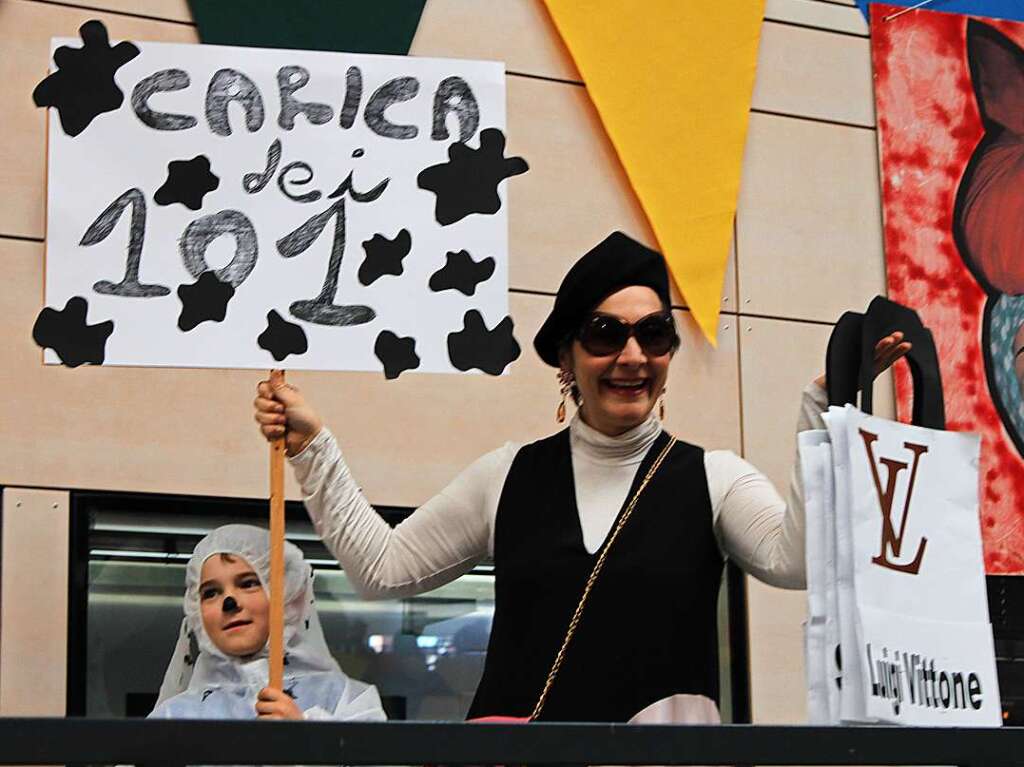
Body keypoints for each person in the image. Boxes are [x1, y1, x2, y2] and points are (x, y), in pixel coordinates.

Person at [252, 231, 910, 723]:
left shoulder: (713, 477)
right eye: (605, 333)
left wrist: (824, 410)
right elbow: (383, 567)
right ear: (565, 356)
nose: (632, 355)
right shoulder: (507, 475)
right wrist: (314, 447)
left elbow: (798, 559)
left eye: (654, 334)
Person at [149, 524, 387, 721]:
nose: (229, 602)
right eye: (211, 592)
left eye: (248, 583)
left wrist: (309, 745)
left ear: (288, 597)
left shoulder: (347, 701)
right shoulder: (172, 719)